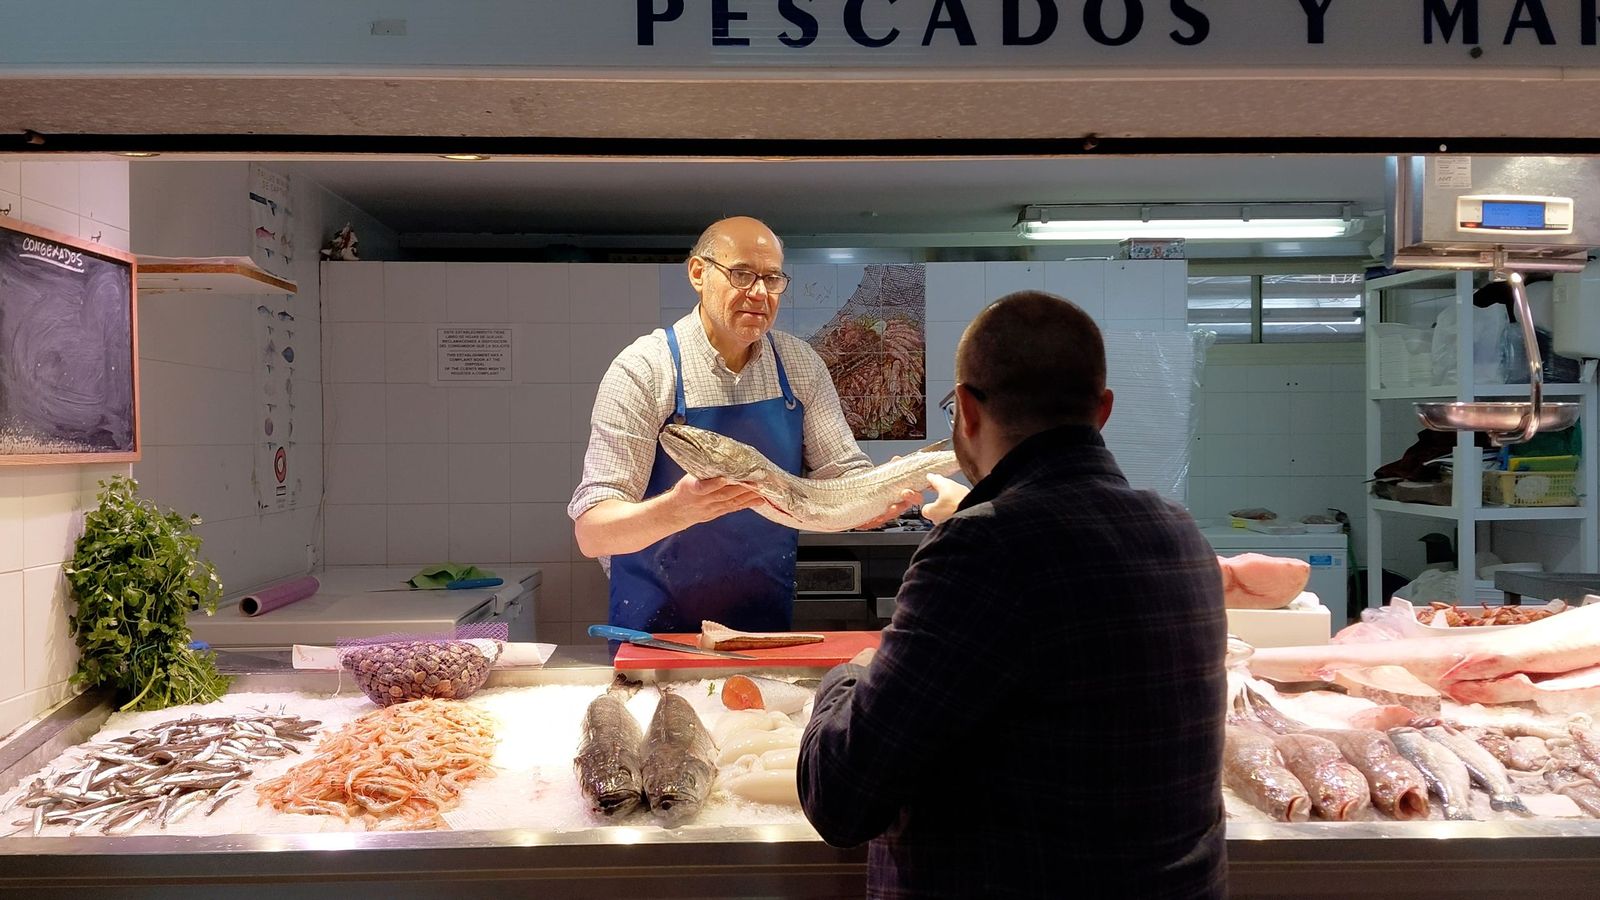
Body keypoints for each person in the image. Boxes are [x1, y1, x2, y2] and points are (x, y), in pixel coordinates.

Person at [797, 291, 1228, 899]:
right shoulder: (1180, 533)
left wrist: (845, 677)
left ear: (967, 411)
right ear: (1102, 411)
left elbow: (841, 799)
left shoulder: (983, 548)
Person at [568, 216, 919, 634]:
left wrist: (873, 501)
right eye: (741, 274)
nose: (758, 293)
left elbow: (844, 476)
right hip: (657, 634)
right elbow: (593, 533)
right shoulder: (644, 370)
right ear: (698, 273)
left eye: (771, 278)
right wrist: (679, 510)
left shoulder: (799, 365)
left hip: (762, 627)